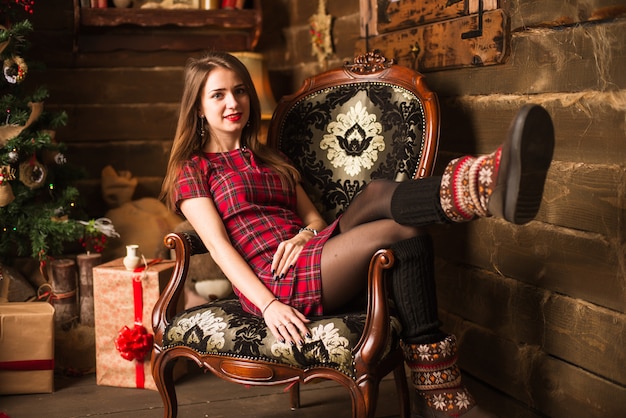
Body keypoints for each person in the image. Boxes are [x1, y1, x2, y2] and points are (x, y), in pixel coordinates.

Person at [161, 51, 554, 418]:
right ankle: (439, 388)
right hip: (275, 280)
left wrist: (301, 236)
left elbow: (313, 219)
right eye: (218, 95)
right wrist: (268, 306)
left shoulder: (271, 158)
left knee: (374, 193)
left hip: (310, 250)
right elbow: (218, 247)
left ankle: (485, 184)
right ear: (198, 107)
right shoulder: (192, 169)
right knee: (402, 229)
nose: (234, 103)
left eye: (239, 90)